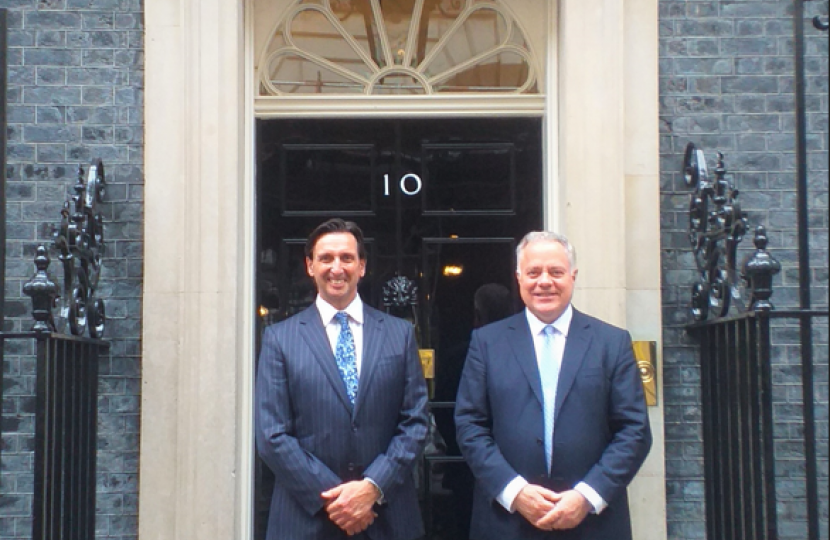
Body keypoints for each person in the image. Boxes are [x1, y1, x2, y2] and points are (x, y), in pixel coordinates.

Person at [454, 231, 652, 540]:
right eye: (534, 272)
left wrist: (586, 496)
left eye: (556, 272)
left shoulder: (611, 343)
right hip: (507, 522)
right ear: (519, 278)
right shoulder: (487, 343)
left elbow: (634, 430)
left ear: (573, 276)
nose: (544, 281)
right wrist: (515, 491)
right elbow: (470, 425)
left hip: (592, 524)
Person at [255, 218, 429, 540]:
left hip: (387, 519)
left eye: (347, 258)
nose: (337, 268)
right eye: (326, 258)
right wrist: (338, 500)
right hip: (307, 520)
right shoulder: (280, 339)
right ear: (310, 266)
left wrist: (372, 488)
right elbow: (271, 434)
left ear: (362, 266)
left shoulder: (399, 335)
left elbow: (415, 422)